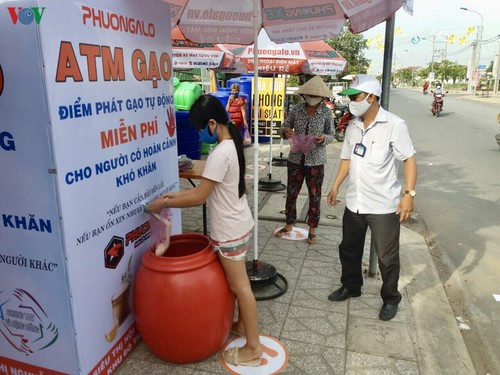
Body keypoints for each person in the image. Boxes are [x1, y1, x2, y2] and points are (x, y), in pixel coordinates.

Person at [145, 94, 263, 367]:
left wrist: (163, 202)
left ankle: (254, 346)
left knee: (241, 288)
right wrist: (170, 197)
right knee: (240, 285)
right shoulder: (230, 143)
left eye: (200, 129)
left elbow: (199, 197)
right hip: (240, 222)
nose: (199, 134)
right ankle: (245, 328)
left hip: (230, 230)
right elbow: (203, 192)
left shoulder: (220, 153)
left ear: (212, 123)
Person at [326, 74, 417, 321]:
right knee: (348, 249)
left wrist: (408, 195)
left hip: (383, 205)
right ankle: (351, 286)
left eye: (355, 97)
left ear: (371, 97)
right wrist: (335, 186)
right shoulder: (353, 126)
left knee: (387, 258)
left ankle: (390, 298)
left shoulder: (394, 125)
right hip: (355, 202)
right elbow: (347, 158)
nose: (352, 102)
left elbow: (408, 159)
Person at [275, 75, 334, 244]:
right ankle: (289, 224)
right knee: (291, 192)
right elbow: (284, 126)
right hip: (295, 158)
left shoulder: (326, 112)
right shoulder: (297, 109)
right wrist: (285, 131)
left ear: (322, 97)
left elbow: (332, 134)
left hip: (316, 160)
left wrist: (324, 138)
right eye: (309, 95)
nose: (312, 98)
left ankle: (313, 228)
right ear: (304, 95)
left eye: (315, 96)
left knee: (315, 194)